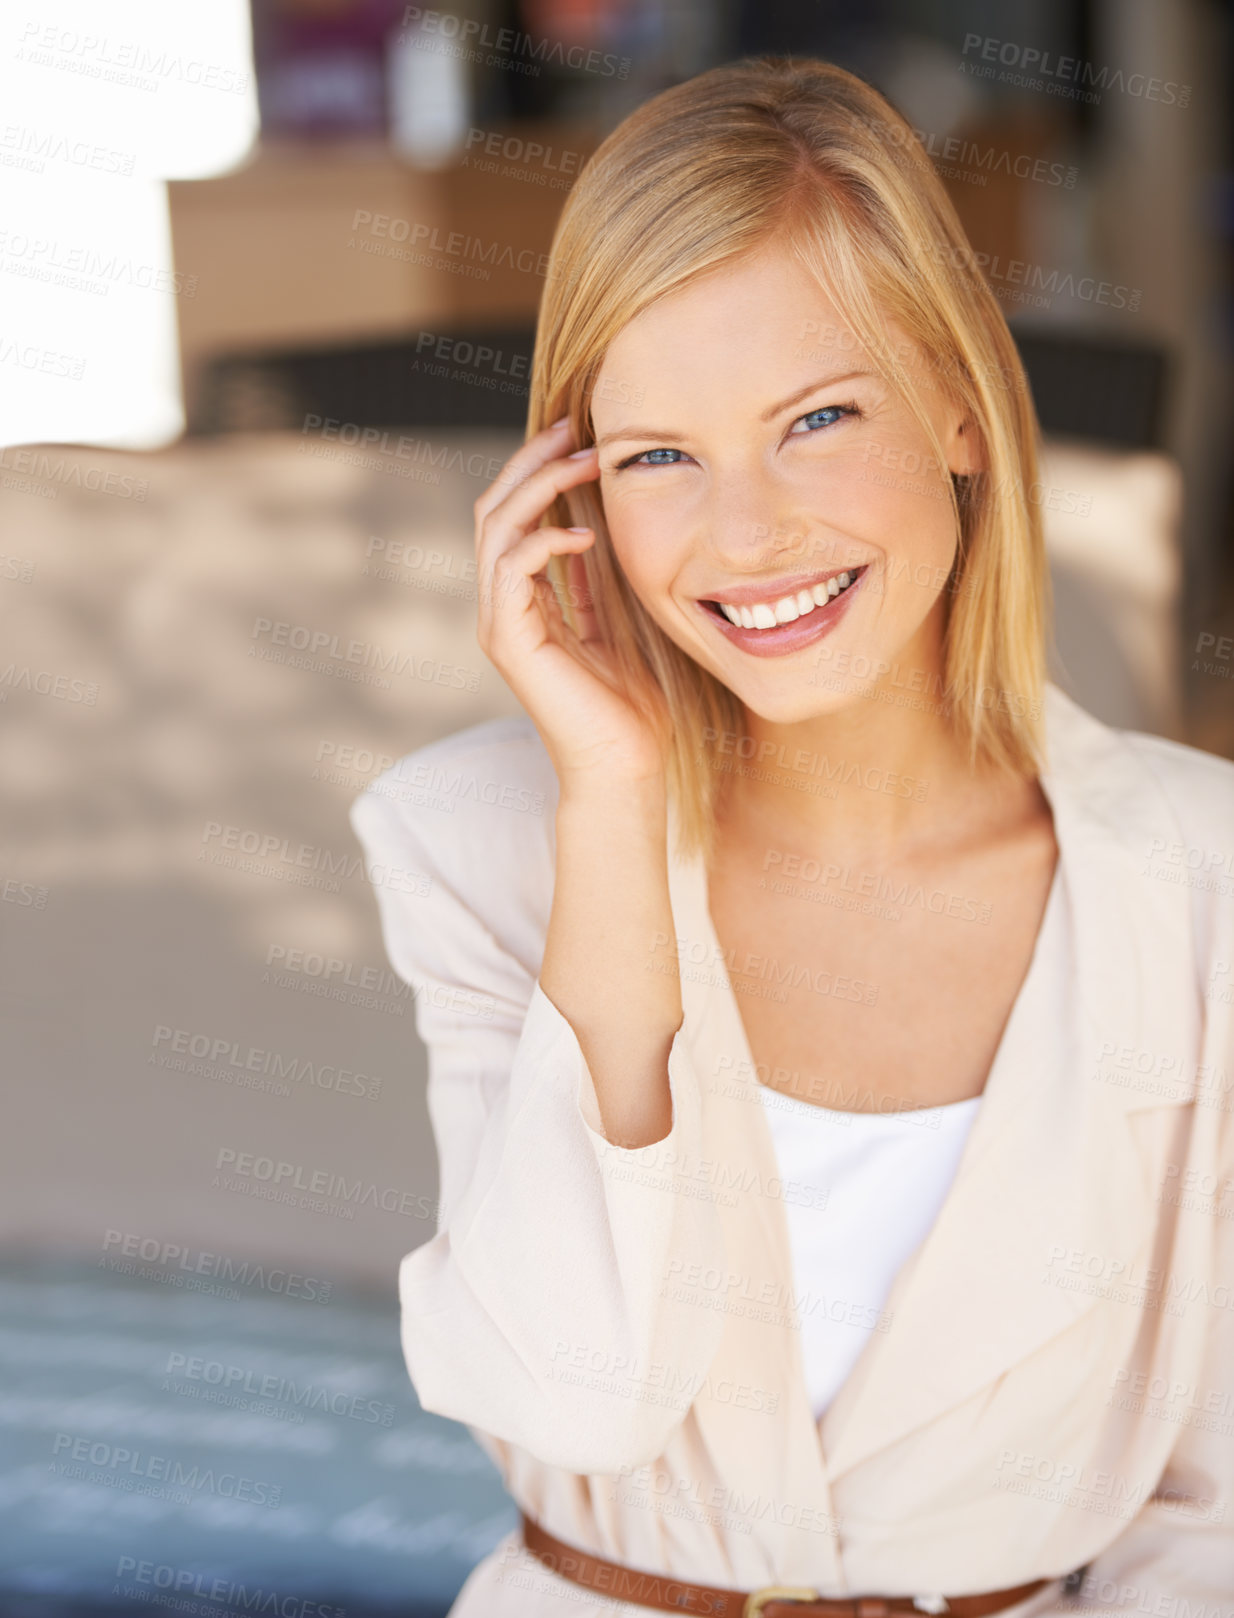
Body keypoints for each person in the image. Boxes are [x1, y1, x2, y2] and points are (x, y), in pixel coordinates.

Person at [350, 55, 1234, 1618]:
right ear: (573, 493)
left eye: (815, 417)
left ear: (960, 413)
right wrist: (611, 808)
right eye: (657, 458)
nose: (745, 535)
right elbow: (574, 1392)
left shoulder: (1202, 878)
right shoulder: (470, 843)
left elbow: (1214, 1512)